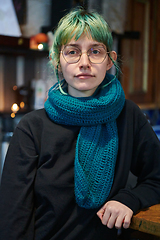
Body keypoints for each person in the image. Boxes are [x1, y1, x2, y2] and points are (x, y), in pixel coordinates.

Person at [0, 8, 160, 240]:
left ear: (109, 61)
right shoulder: (32, 127)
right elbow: (13, 217)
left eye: (95, 51)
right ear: (57, 61)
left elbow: (156, 177)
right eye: (72, 52)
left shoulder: (128, 115)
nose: (84, 62)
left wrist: (129, 199)